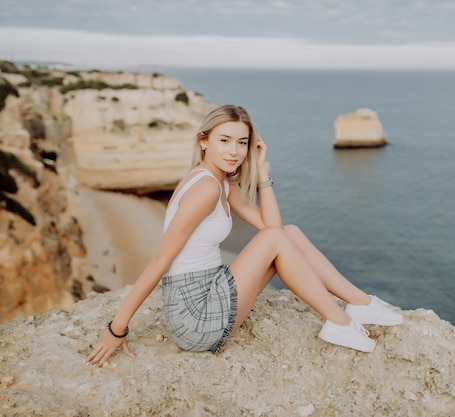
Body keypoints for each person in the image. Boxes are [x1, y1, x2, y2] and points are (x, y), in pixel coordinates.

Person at [86, 104, 402, 366]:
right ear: (203, 141)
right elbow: (161, 260)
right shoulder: (206, 188)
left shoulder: (222, 183)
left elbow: (273, 227)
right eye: (224, 140)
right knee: (277, 238)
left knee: (287, 233)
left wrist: (262, 172)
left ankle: (359, 302)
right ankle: (341, 322)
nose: (234, 151)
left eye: (242, 142)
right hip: (195, 319)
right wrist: (116, 328)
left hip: (212, 291)